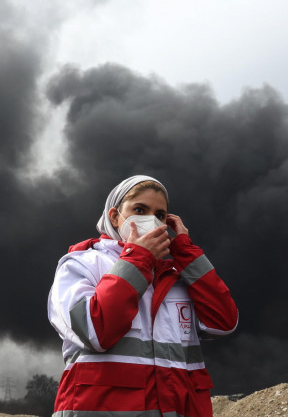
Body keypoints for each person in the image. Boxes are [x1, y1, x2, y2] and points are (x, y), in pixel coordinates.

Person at [47, 175, 239, 417]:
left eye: (160, 215)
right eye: (140, 209)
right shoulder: (81, 265)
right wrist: (138, 258)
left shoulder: (176, 277)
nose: (151, 220)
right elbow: (95, 331)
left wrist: (186, 253)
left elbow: (223, 322)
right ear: (114, 216)